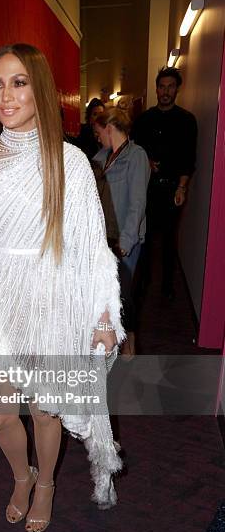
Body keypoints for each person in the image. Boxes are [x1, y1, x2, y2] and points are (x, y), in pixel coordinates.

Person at [0, 44, 124, 532]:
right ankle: (23, 476)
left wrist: (103, 318)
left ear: (39, 88)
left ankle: (46, 486)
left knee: (45, 410)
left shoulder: (71, 162)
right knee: (0, 416)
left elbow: (91, 249)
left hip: (52, 305)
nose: (6, 95)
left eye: (19, 82)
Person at [131, 67, 197, 298]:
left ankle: (167, 287)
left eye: (170, 86)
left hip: (172, 189)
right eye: (162, 86)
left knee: (169, 240)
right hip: (146, 188)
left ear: (177, 89)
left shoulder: (187, 121)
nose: (166, 91)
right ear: (156, 89)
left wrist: (182, 187)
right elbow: (133, 152)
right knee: (145, 237)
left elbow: (189, 158)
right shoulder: (143, 120)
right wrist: (145, 161)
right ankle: (144, 282)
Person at [93, 108, 150, 358]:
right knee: (106, 295)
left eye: (98, 132)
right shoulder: (101, 156)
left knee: (122, 294)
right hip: (104, 238)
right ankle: (111, 341)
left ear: (109, 127)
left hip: (125, 240)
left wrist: (125, 243)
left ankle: (129, 343)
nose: (97, 137)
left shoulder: (136, 156)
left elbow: (137, 204)